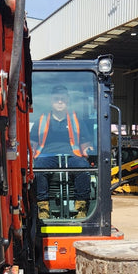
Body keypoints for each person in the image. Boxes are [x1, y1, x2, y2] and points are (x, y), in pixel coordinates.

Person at [30, 85, 94, 219]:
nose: (60, 102)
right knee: (38, 169)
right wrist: (29, 153)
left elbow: (85, 141)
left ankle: (81, 207)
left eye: (62, 99)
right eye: (56, 99)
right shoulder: (41, 120)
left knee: (82, 167)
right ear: (51, 101)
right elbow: (33, 142)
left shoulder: (76, 120)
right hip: (46, 155)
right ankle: (43, 207)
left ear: (68, 100)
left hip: (72, 155)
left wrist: (88, 150)